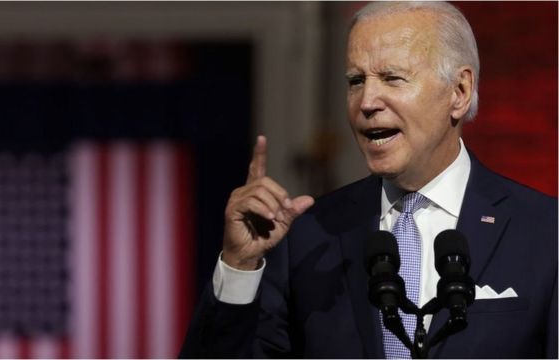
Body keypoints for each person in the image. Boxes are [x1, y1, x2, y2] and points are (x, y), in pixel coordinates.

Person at [180, 1, 558, 358]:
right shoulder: (308, 237)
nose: (366, 102)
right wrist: (239, 266)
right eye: (355, 80)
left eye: (392, 78)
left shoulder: (544, 232)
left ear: (459, 92)